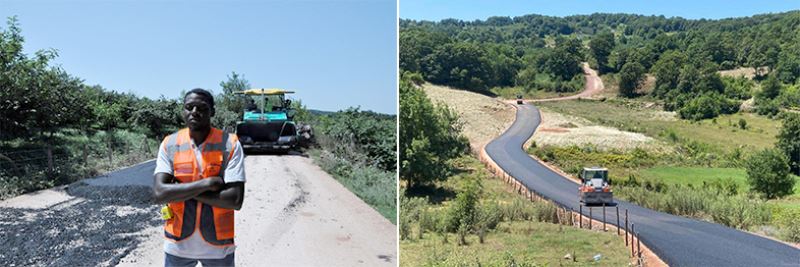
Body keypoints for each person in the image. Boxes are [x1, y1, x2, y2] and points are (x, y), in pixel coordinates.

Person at [153, 88, 245, 267]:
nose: (194, 112)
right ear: (183, 111)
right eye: (189, 107)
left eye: (201, 108)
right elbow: (159, 193)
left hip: (219, 248)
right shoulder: (170, 144)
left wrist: (178, 189)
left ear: (212, 111)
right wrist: (207, 183)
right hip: (177, 246)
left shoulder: (230, 144)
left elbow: (235, 199)